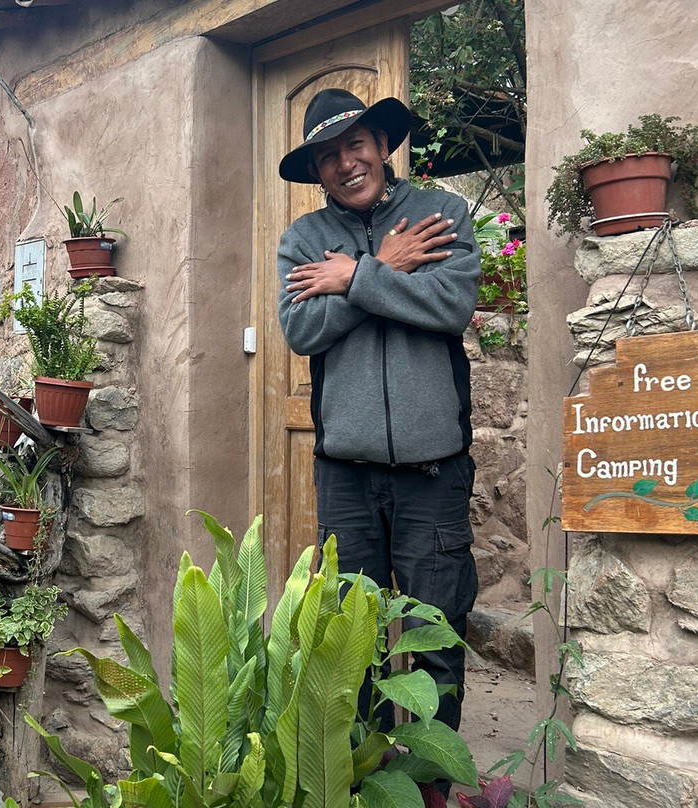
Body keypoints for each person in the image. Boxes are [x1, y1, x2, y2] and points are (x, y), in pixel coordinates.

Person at [276, 88, 480, 763]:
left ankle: (427, 787)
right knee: (350, 649)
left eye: (355, 144)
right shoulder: (303, 240)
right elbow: (302, 329)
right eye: (328, 155)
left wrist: (357, 277)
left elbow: (450, 305)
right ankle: (358, 783)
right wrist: (387, 274)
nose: (346, 162)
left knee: (434, 642)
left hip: (433, 475)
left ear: (381, 144)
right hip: (347, 481)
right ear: (317, 168)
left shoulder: (441, 214)